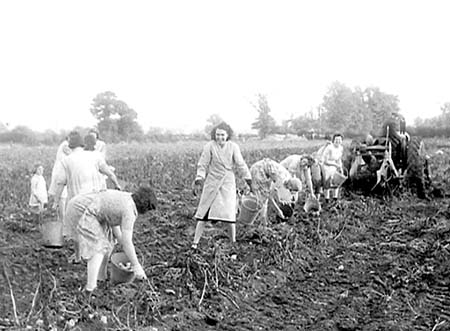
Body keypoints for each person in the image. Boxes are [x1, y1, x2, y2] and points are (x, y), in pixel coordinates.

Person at [64, 186, 157, 292]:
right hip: (82, 210)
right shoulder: (130, 210)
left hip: (92, 210)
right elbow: (127, 241)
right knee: (98, 247)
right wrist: (136, 266)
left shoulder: (127, 198)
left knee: (109, 242)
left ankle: (101, 277)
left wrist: (121, 242)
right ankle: (90, 288)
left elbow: (112, 218)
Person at [191, 122, 252, 249]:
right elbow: (203, 164)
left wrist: (248, 180)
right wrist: (199, 179)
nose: (220, 137)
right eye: (218, 134)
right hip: (212, 182)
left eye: (222, 135)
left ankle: (233, 243)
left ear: (228, 135)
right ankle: (195, 243)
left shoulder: (233, 147)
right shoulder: (209, 146)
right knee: (203, 214)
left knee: (229, 216)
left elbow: (240, 164)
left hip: (227, 182)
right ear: (214, 135)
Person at [250, 158, 302, 226]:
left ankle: (262, 221)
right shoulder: (281, 179)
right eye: (290, 189)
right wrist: (278, 210)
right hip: (258, 170)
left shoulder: (288, 178)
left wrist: (279, 200)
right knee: (263, 199)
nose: (289, 190)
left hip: (265, 171)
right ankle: (261, 223)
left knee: (261, 198)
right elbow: (269, 195)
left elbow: (276, 190)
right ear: (290, 185)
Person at [48, 136, 71, 230]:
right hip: (61, 172)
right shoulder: (65, 145)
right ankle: (62, 223)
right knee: (62, 197)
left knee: (62, 198)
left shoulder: (65, 145)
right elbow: (71, 154)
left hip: (62, 171)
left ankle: (62, 222)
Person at [321, 133, 345, 202]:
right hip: (327, 166)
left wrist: (340, 167)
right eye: (336, 140)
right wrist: (335, 165)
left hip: (335, 165)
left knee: (337, 181)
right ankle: (327, 199)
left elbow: (339, 159)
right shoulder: (329, 148)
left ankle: (335, 198)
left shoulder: (341, 148)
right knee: (328, 183)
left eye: (339, 140)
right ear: (333, 140)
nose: (338, 141)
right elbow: (325, 161)